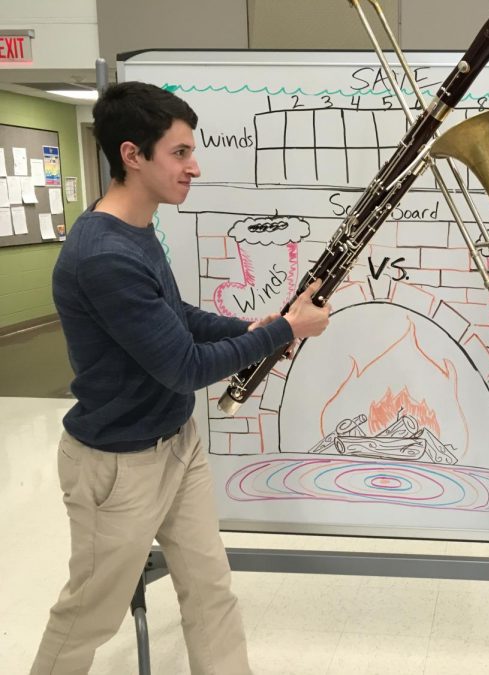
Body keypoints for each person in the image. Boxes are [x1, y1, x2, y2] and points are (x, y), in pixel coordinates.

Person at [31, 81, 331, 674]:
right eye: (179, 153)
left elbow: (177, 317)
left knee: (210, 591)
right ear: (132, 155)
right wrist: (284, 332)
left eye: (191, 151)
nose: (194, 167)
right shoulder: (103, 254)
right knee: (90, 614)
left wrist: (248, 324)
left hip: (175, 444)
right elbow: (183, 366)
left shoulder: (135, 229)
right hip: (119, 466)